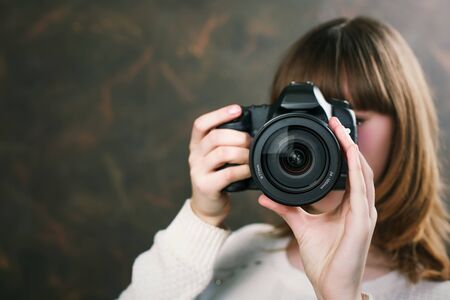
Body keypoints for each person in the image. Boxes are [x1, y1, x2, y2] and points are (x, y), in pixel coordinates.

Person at [118, 16, 450, 299]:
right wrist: (201, 216)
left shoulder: (434, 293)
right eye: (302, 122)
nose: (324, 140)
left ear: (405, 130)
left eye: (352, 120)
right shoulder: (236, 253)